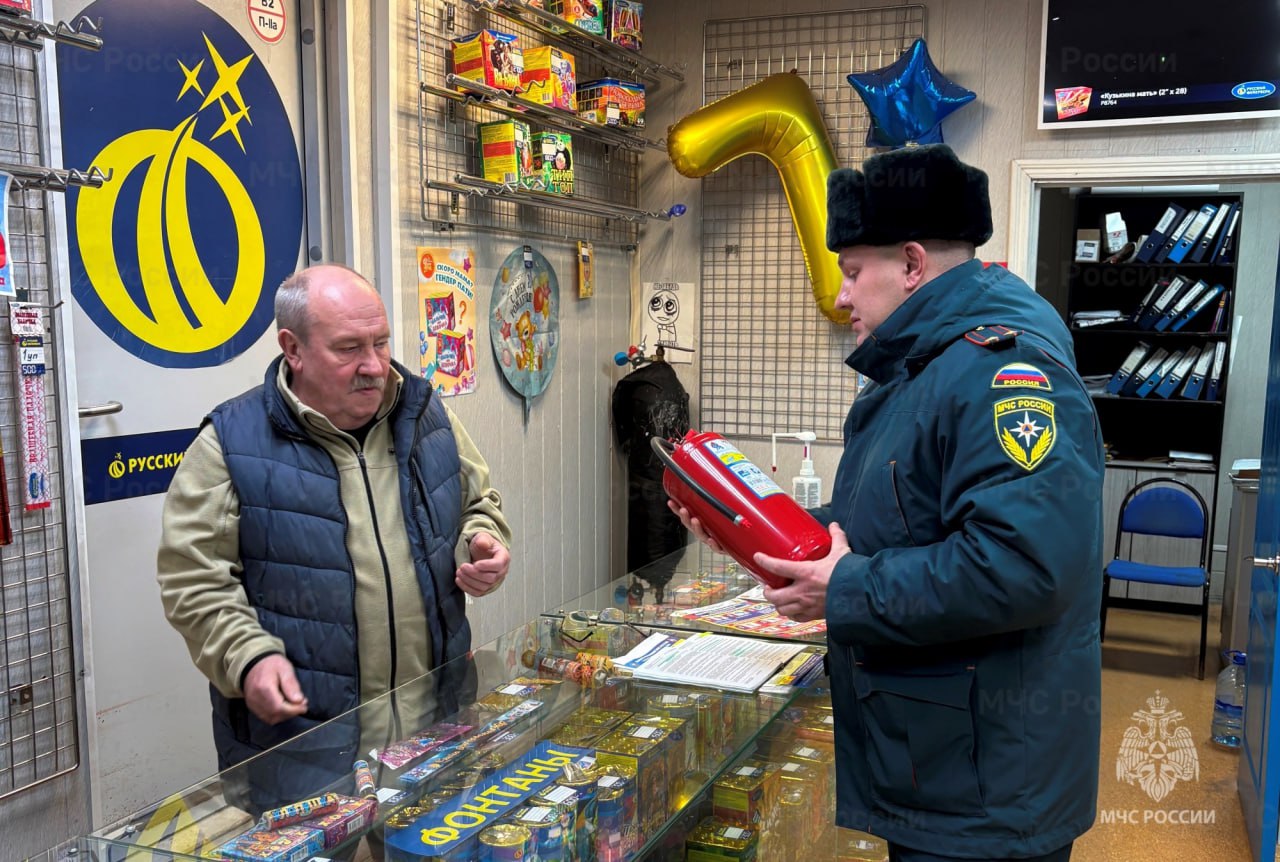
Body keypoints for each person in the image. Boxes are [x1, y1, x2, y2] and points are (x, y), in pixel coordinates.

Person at [670, 145, 1104, 861]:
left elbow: (1023, 567)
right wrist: (751, 529)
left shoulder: (1004, 372)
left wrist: (844, 587)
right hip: (940, 763)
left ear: (911, 264)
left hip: (987, 791)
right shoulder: (921, 370)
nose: (842, 296)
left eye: (851, 271)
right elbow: (889, 524)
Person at [158, 263, 511, 812]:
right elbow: (192, 579)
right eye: (348, 348)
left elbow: (476, 502)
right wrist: (246, 657)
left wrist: (482, 542)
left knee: (428, 842)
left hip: (434, 727)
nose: (374, 366)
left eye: (380, 342)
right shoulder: (230, 443)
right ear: (293, 348)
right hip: (303, 749)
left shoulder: (427, 416)